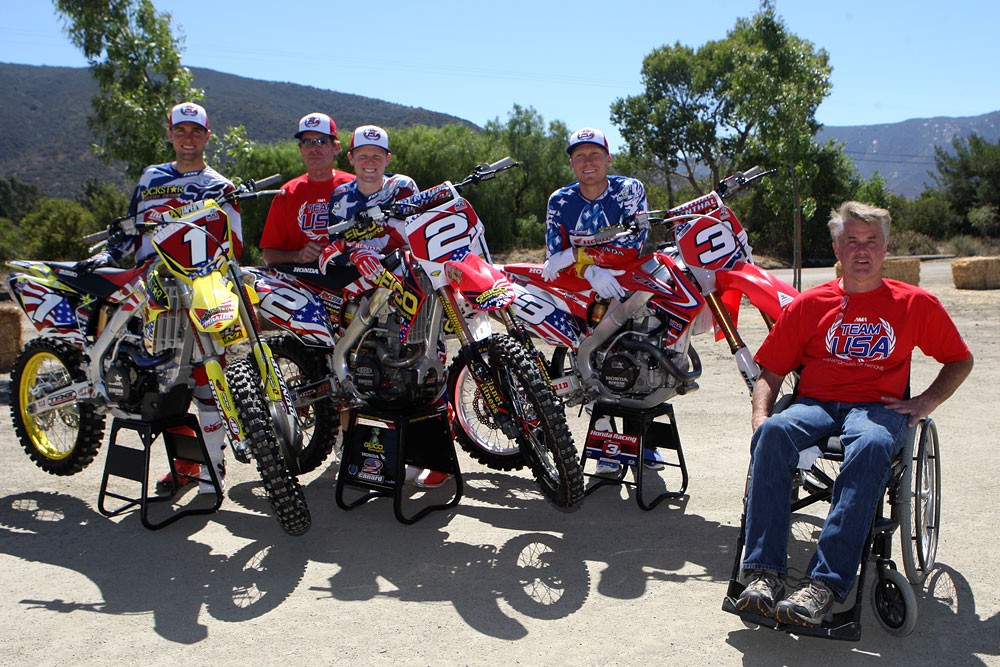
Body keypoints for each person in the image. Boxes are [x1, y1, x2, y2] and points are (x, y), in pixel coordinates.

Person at [734, 201, 973, 627]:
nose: (862, 250)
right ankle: (763, 576)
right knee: (773, 435)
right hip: (815, 404)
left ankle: (823, 586)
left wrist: (924, 403)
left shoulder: (916, 304)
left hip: (876, 407)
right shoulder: (808, 305)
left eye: (872, 241)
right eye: (852, 241)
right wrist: (761, 416)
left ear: (885, 248)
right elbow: (770, 372)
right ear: (836, 248)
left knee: (875, 444)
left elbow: (959, 359)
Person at [81, 102, 240, 495]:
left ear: (207, 135)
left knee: (205, 379)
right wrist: (108, 256)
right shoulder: (150, 177)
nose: (188, 138)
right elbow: (131, 229)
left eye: (196, 131)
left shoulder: (219, 184)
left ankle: (212, 470)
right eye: (180, 131)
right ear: (169, 133)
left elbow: (233, 242)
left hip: (199, 289)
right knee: (161, 385)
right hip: (149, 291)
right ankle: (186, 467)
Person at [319, 125, 448, 489]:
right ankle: (353, 449)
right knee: (356, 366)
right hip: (363, 294)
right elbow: (333, 247)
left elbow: (419, 229)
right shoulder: (341, 196)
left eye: (377, 155)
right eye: (363, 155)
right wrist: (356, 252)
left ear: (388, 159)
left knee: (427, 362)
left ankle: (433, 457)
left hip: (408, 285)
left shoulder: (403, 187)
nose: (370, 162)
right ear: (351, 158)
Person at [541, 127, 660, 475]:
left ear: (608, 159)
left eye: (594, 154)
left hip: (633, 286)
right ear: (572, 164)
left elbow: (632, 245)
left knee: (640, 360)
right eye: (579, 156)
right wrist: (590, 272)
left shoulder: (628, 190)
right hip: (586, 292)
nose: (587, 162)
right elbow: (552, 259)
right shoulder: (559, 201)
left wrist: (580, 256)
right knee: (593, 362)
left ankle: (644, 445)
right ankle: (606, 446)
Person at [260, 113, 355, 267]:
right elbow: (269, 255)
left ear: (336, 147)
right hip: (301, 284)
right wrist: (298, 256)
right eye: (307, 142)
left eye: (321, 141)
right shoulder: (287, 193)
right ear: (300, 149)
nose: (314, 148)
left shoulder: (354, 186)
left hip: (349, 280)